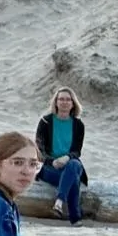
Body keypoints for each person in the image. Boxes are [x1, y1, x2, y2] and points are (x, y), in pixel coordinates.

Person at [35, 86, 88, 225]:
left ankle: (59, 201)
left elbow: (77, 151)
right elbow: (39, 150)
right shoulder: (46, 122)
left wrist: (66, 158)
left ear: (73, 103)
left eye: (68, 99)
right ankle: (75, 217)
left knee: (74, 164)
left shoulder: (78, 125)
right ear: (56, 102)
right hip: (48, 167)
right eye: (61, 99)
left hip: (69, 164)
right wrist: (51, 161)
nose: (64, 102)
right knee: (73, 179)